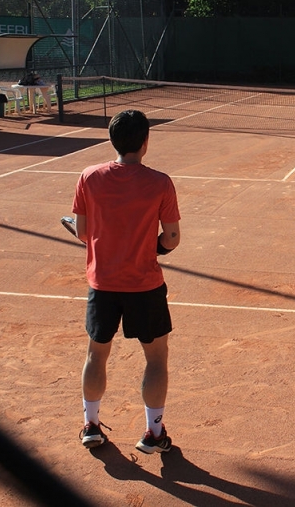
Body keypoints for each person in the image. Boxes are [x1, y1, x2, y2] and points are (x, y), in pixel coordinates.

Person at [72, 109, 181, 454]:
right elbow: (173, 237)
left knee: (96, 354)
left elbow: (83, 232)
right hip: (145, 285)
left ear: (112, 140)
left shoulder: (89, 177)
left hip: (102, 285)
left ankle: (90, 425)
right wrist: (156, 247)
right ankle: (153, 433)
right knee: (156, 358)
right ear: (145, 142)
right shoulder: (160, 182)